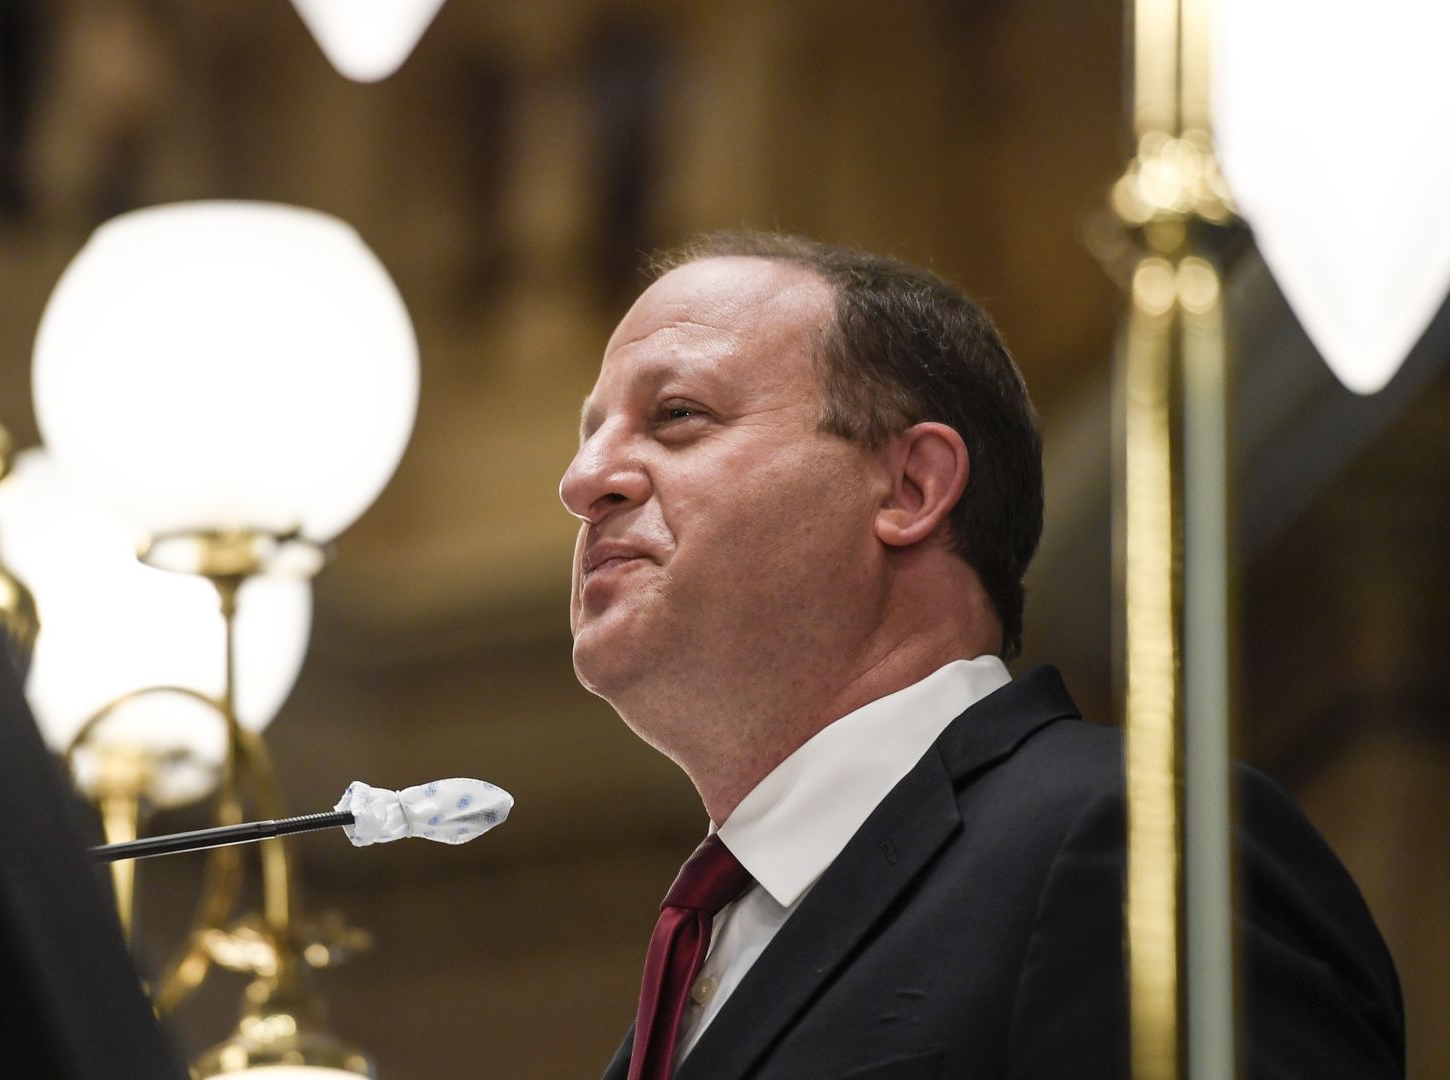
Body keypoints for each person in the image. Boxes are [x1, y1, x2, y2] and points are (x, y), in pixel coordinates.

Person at [560, 233, 1404, 1080]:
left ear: (912, 488)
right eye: (592, 433)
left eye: (676, 416)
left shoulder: (1136, 847)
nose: (583, 479)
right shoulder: (700, 964)